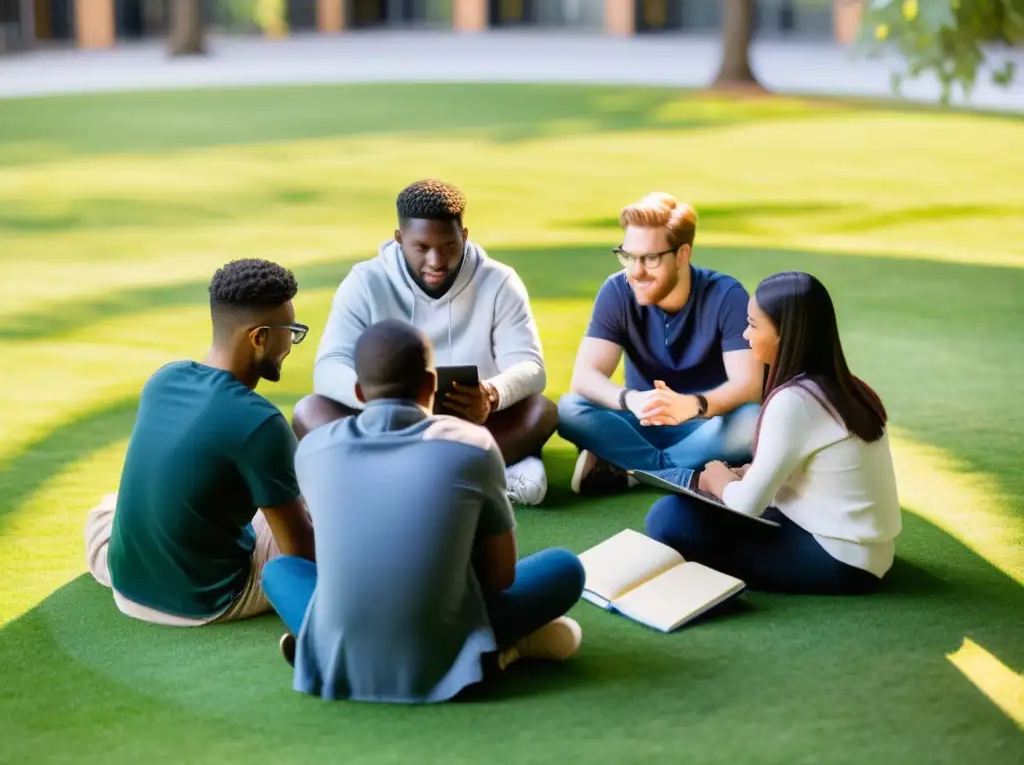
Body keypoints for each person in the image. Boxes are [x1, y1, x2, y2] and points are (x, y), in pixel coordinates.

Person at [262, 319, 585, 704]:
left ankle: (322, 649)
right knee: (566, 569)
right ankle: (499, 649)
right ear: (432, 385)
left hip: (348, 644)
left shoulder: (314, 449)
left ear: (359, 392)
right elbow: (499, 577)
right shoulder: (473, 445)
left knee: (279, 571)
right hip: (440, 645)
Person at [292, 179, 557, 506]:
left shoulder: (500, 281)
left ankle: (384, 478)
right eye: (422, 247)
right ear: (400, 240)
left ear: (465, 236)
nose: (436, 261)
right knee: (310, 410)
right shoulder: (365, 281)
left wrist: (491, 394)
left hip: (472, 420)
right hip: (387, 427)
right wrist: (387, 403)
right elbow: (329, 366)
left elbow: (531, 367)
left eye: (448, 245)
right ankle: (481, 473)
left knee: (540, 412)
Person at [83, 258, 316, 626]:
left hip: (125, 585)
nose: (292, 341)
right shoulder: (262, 422)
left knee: (107, 508)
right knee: (316, 513)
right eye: (290, 329)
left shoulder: (164, 378)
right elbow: (299, 554)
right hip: (206, 600)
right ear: (260, 338)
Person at [645, 271, 902, 594]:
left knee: (670, 518)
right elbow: (817, 474)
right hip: (870, 553)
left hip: (840, 561)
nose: (745, 334)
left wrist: (716, 479)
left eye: (753, 325)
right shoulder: (846, 388)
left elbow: (746, 505)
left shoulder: (795, 400)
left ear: (785, 335)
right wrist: (747, 473)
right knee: (692, 512)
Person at [557, 192, 763, 496]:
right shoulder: (616, 290)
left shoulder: (726, 295)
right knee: (569, 408)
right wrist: (631, 400)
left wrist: (693, 404)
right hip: (641, 420)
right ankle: (671, 471)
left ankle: (630, 468)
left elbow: (748, 385)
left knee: (754, 421)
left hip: (707, 425)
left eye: (650, 258)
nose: (636, 271)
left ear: (682, 255)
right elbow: (585, 377)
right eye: (628, 256)